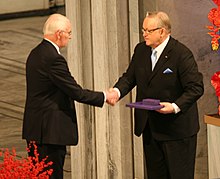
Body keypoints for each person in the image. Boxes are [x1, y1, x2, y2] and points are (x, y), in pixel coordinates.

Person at [107, 11, 204, 179]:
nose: (144, 34)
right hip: (151, 128)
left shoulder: (181, 54)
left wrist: (174, 107)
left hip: (177, 132)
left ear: (162, 31)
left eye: (148, 30)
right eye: (143, 30)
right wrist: (116, 92)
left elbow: (196, 88)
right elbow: (129, 78)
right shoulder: (141, 50)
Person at [22, 13, 113, 179]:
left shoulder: (36, 53)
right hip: (49, 133)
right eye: (69, 33)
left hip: (36, 130)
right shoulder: (53, 59)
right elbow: (75, 91)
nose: (70, 37)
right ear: (59, 34)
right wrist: (104, 96)